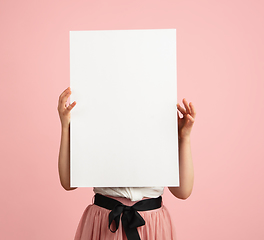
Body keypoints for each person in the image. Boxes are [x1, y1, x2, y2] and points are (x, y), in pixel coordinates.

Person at [57, 87, 196, 240]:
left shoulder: (161, 118)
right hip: (105, 223)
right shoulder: (98, 113)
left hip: (151, 225)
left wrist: (184, 137)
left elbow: (183, 192)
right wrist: (66, 127)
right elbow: (68, 183)